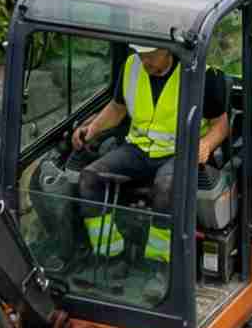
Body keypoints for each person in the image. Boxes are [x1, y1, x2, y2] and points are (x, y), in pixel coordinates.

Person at [71, 44, 232, 270]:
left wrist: (206, 144)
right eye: (141, 55)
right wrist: (93, 128)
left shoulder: (202, 75)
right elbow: (118, 109)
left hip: (180, 152)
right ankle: (110, 258)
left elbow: (221, 126)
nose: (143, 62)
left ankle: (158, 266)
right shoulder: (132, 66)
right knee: (89, 178)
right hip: (138, 150)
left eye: (150, 56)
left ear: (168, 51)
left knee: (166, 187)